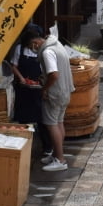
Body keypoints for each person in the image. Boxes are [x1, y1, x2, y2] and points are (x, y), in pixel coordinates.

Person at [33, 33, 74, 171]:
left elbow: (54, 74)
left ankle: (60, 160)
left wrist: (44, 89)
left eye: (32, 46)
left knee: (52, 125)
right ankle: (57, 154)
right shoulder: (57, 44)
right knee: (59, 122)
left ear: (36, 43)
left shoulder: (47, 51)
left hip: (55, 94)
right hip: (65, 91)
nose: (33, 49)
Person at [9, 25, 51, 155]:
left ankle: (47, 147)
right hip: (24, 89)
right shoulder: (19, 49)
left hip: (39, 88)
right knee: (23, 118)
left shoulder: (43, 50)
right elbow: (13, 65)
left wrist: (42, 81)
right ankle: (24, 147)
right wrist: (21, 78)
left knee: (41, 118)